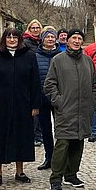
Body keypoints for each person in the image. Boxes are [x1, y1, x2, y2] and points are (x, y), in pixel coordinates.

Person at [0, 28, 41, 186]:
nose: (12, 39)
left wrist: (36, 105)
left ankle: (19, 171)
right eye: (8, 37)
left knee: (21, 136)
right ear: (4, 39)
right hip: (0, 104)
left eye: (15, 37)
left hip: (23, 103)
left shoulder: (29, 56)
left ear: (19, 39)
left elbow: (35, 82)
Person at [44, 28, 96, 190]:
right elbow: (49, 84)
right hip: (65, 110)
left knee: (78, 142)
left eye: (79, 38)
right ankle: (56, 179)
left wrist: (92, 102)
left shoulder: (88, 61)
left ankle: (71, 174)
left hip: (83, 110)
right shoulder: (58, 60)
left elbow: (94, 85)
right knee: (63, 143)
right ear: (67, 41)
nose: (77, 41)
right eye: (73, 38)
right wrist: (59, 101)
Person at [35, 28, 61, 170]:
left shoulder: (62, 55)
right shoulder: (35, 56)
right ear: (43, 39)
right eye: (48, 37)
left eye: (53, 37)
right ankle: (49, 157)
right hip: (42, 98)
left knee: (60, 130)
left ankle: (60, 158)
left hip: (58, 99)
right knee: (45, 130)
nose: (50, 39)